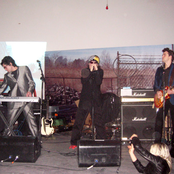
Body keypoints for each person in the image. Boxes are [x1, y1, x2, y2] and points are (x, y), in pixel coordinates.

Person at [69, 55, 106, 149]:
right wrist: (90, 71)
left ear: (98, 64)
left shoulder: (100, 72)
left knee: (98, 122)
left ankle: (101, 140)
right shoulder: (84, 71)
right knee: (79, 121)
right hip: (85, 100)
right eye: (91, 62)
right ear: (88, 63)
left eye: (95, 63)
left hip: (96, 100)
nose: (93, 64)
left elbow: (98, 82)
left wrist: (96, 71)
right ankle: (74, 142)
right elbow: (84, 81)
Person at [0, 56, 38, 137]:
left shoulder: (24, 69)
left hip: (26, 100)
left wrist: (29, 91)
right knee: (9, 122)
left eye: (5, 67)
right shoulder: (7, 76)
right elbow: (2, 87)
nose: (5, 69)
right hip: (13, 101)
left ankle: (36, 140)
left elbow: (31, 82)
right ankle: (6, 140)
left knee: (31, 121)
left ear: (10, 64)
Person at [153, 47, 174, 157]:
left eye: (164, 54)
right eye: (162, 55)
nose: (162, 56)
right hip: (162, 100)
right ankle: (156, 146)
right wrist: (158, 92)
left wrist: (172, 90)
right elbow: (156, 84)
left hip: (173, 98)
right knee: (158, 122)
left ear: (170, 56)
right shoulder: (159, 70)